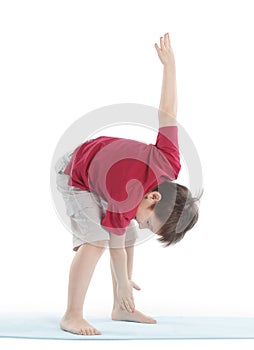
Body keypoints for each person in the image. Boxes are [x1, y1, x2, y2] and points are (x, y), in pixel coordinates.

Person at [55, 33, 203, 336]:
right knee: (97, 240)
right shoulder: (129, 196)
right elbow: (114, 247)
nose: (145, 225)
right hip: (75, 176)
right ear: (152, 196)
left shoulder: (168, 163)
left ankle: (122, 307)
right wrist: (123, 280)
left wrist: (170, 67)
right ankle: (72, 314)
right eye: (150, 221)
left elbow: (168, 114)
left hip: (99, 170)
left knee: (126, 234)